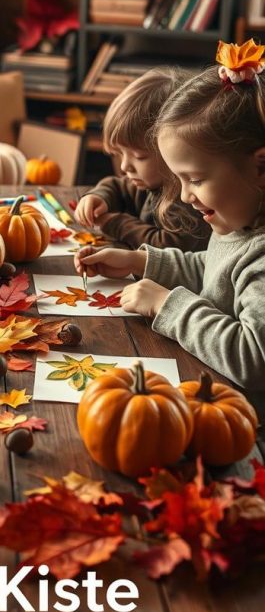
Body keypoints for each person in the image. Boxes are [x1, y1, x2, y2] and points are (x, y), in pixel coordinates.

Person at [75, 41, 265, 392]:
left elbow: (254, 359)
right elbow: (212, 272)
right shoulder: (237, 220)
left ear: (261, 166)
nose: (182, 195)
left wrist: (168, 304)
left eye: (194, 179)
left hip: (242, 428)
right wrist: (141, 261)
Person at [74, 68, 210, 250]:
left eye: (139, 156)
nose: (124, 166)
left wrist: (118, 224)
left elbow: (169, 248)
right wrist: (100, 197)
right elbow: (120, 187)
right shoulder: (150, 181)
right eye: (120, 153)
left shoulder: (187, 202)